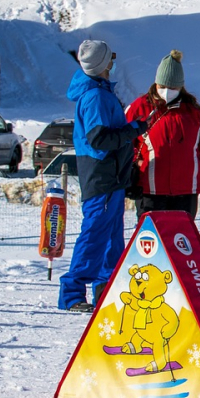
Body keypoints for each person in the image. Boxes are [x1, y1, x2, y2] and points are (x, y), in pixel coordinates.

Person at [57, 41, 145, 312]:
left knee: (110, 236)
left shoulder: (101, 91)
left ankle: (105, 290)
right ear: (103, 64)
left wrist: (131, 128)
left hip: (111, 175)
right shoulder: (95, 96)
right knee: (95, 233)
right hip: (102, 173)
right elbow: (98, 139)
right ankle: (72, 294)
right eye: (112, 57)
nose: (114, 61)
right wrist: (133, 130)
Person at [124, 50, 200, 218]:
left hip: (186, 192)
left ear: (181, 86)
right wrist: (134, 163)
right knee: (151, 239)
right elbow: (123, 142)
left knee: (181, 240)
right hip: (150, 189)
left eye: (172, 87)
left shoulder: (194, 114)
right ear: (156, 83)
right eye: (162, 87)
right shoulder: (139, 108)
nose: (167, 91)